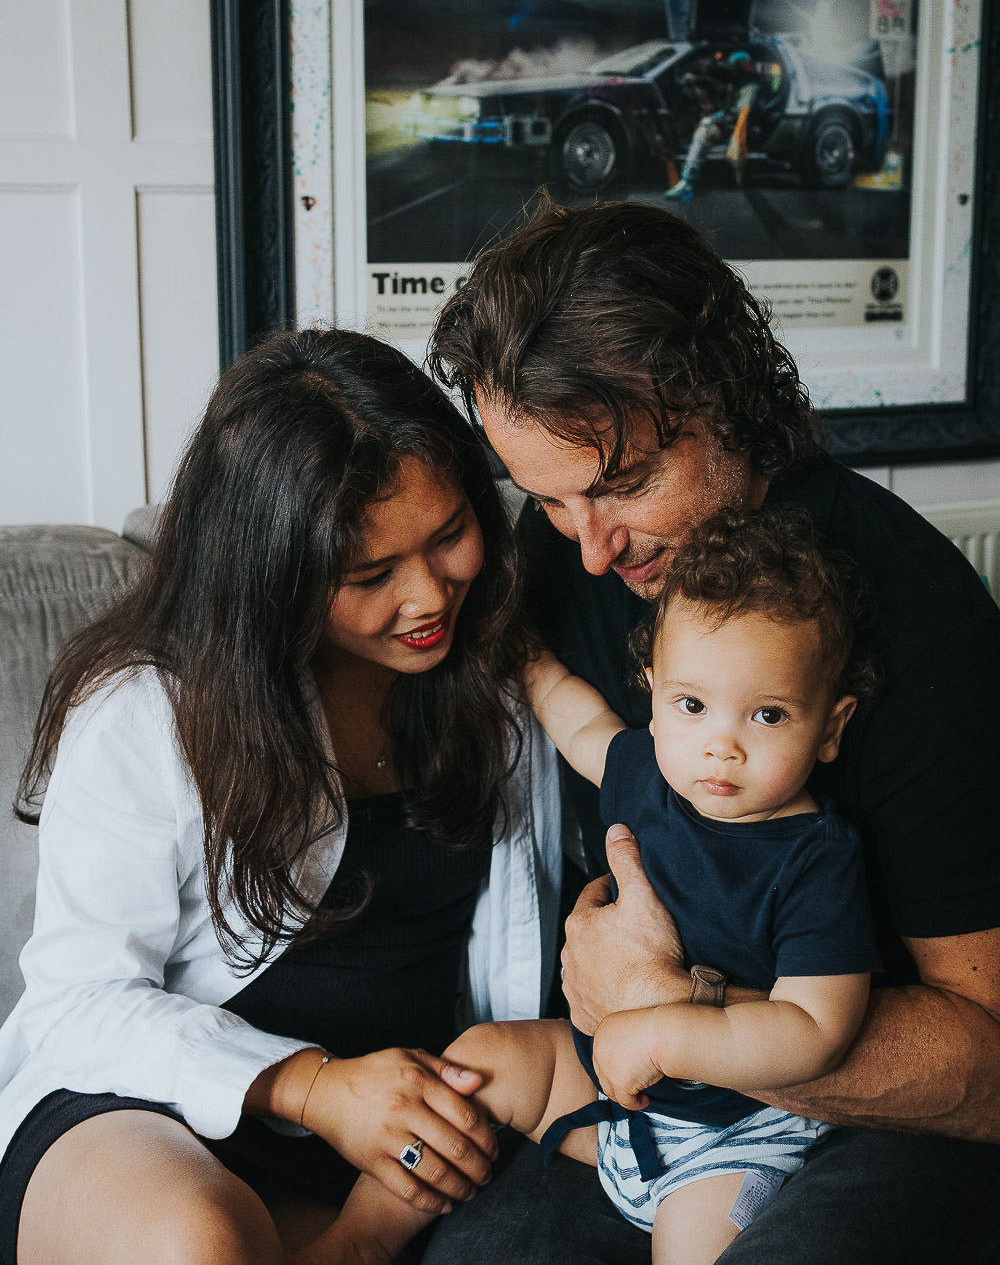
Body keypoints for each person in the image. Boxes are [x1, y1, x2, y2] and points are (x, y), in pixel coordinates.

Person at [422, 198, 1000, 1265]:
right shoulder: (570, 555)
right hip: (635, 1094)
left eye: (623, 485)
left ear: (722, 400)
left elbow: (988, 1064)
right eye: (548, 502)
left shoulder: (922, 625)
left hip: (855, 1128)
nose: (591, 550)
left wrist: (672, 1004)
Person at [0, 328, 562, 1265]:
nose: (429, 597)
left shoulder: (498, 675)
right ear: (276, 578)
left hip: (395, 1138)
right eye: (370, 576)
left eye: (450, 535)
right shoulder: (151, 711)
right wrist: (311, 1086)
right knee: (201, 1246)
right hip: (150, 1119)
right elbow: (78, 1005)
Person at [323, 505, 881, 1265]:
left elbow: (818, 1029)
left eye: (769, 715)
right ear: (653, 695)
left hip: (736, 1133)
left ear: (830, 727)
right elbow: (575, 720)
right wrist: (524, 658)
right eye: (691, 705)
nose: (721, 745)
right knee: (479, 1063)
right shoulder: (650, 768)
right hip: (607, 1095)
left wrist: (659, 1028)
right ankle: (353, 1244)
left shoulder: (815, 856)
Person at [665, 51, 759, 200]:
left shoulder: (750, 88)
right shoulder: (733, 85)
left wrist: (715, 121)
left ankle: (687, 181)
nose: (732, 71)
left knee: (704, 131)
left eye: (736, 67)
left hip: (739, 130)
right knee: (701, 124)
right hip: (730, 125)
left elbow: (741, 114)